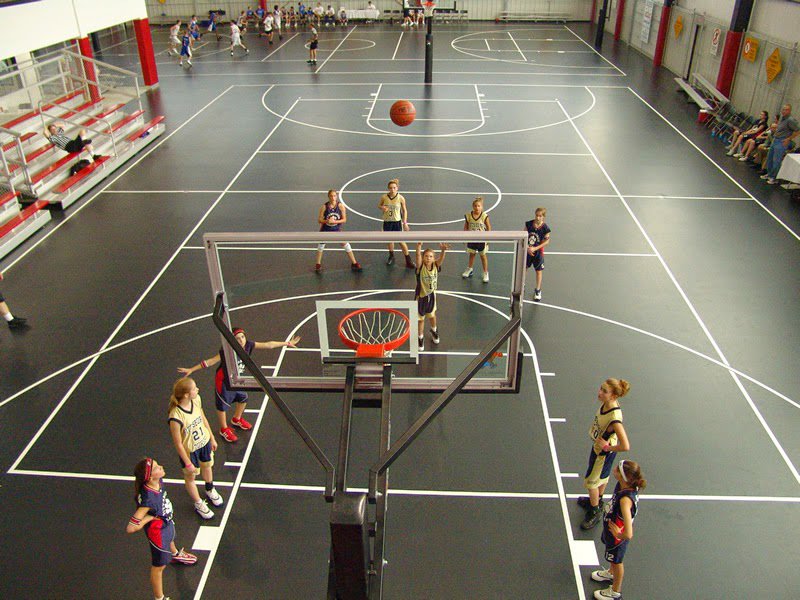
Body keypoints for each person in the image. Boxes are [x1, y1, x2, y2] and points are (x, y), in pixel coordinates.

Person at [178, 329, 300, 443]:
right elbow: (210, 362)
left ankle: (236, 419)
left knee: (243, 398)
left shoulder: (248, 345)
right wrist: (192, 369)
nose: (241, 340)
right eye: (237, 338)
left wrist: (287, 343)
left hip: (236, 379)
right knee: (222, 406)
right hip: (224, 381)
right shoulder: (227, 351)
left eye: (242, 337)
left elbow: (269, 344)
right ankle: (223, 429)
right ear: (232, 340)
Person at [126, 457, 197, 600]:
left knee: (171, 538)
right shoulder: (148, 499)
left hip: (166, 523)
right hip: (158, 532)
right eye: (157, 468)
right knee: (159, 567)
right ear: (150, 476)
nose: (161, 467)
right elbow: (131, 528)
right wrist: (150, 517)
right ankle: (159, 598)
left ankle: (175, 554)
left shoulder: (158, 482)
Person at [167, 377, 223, 519]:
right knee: (191, 476)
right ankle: (198, 503)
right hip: (190, 450)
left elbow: (203, 418)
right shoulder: (176, 416)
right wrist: (187, 462)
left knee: (207, 466)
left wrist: (211, 437)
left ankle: (210, 488)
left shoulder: (196, 400)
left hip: (204, 443)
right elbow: (178, 443)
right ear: (186, 394)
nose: (197, 390)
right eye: (194, 388)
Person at [578, 378, 631, 530]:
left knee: (591, 481)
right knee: (602, 476)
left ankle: (594, 511)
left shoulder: (614, 419)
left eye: (604, 391)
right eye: (600, 388)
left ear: (614, 396)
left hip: (602, 452)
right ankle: (597, 500)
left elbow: (626, 445)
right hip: (603, 449)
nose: (599, 393)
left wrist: (607, 448)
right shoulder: (608, 405)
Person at [590, 460, 646, 600]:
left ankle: (615, 592)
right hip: (612, 530)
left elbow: (629, 533)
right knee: (612, 559)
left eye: (617, 469)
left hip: (617, 539)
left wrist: (618, 534)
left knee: (617, 561)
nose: (614, 469)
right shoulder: (624, 485)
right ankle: (611, 572)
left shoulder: (625, 500)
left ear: (623, 476)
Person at [315, 190, 362, 272]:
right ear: (328, 197)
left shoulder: (340, 206)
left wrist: (335, 222)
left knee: (345, 243)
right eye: (331, 196)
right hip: (325, 229)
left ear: (336, 196)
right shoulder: (324, 207)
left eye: (334, 196)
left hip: (336, 229)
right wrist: (327, 221)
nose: (333, 198)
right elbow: (319, 220)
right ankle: (318, 264)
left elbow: (344, 220)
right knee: (321, 245)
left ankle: (354, 262)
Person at [415, 241, 448, 351]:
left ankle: (434, 330)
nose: (428, 258)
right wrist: (419, 247)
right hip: (421, 297)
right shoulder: (420, 268)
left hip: (432, 296)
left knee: (432, 316)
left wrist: (443, 250)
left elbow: (441, 260)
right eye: (426, 256)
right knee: (420, 319)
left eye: (430, 256)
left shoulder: (435, 266)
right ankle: (420, 337)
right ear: (423, 258)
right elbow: (417, 256)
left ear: (434, 258)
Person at [378, 178, 415, 269]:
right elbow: (379, 205)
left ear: (397, 188)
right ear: (388, 188)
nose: (392, 189)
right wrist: (382, 207)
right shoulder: (384, 197)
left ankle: (408, 260)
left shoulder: (400, 198)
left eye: (394, 187)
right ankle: (391, 256)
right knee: (390, 240)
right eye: (390, 188)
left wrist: (405, 222)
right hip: (387, 221)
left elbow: (404, 210)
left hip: (397, 222)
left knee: (401, 241)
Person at [761, 104, 800, 184]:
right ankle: (769, 174)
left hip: (782, 141)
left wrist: (788, 139)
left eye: (786, 110)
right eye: (783, 109)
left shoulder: (790, 120)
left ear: (789, 111)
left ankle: (774, 177)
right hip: (775, 139)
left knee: (776, 160)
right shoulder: (782, 118)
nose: (783, 111)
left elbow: (797, 131)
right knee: (770, 158)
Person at [462, 196, 491, 283]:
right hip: (472, 238)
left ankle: (485, 272)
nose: (477, 207)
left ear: (482, 207)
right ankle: (470, 269)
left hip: (481, 239)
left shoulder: (484, 216)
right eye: (475, 206)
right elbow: (466, 226)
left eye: (478, 206)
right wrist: (464, 236)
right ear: (472, 206)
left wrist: (488, 238)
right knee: (472, 254)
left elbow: (489, 227)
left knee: (483, 256)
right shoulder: (469, 216)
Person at [524, 207, 550, 302]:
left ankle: (538, 290)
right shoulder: (529, 224)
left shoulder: (545, 229)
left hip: (538, 253)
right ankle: (522, 284)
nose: (538, 218)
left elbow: (546, 242)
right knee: (524, 268)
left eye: (540, 216)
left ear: (543, 217)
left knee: (538, 271)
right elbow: (523, 235)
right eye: (536, 215)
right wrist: (527, 247)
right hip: (528, 251)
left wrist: (535, 248)